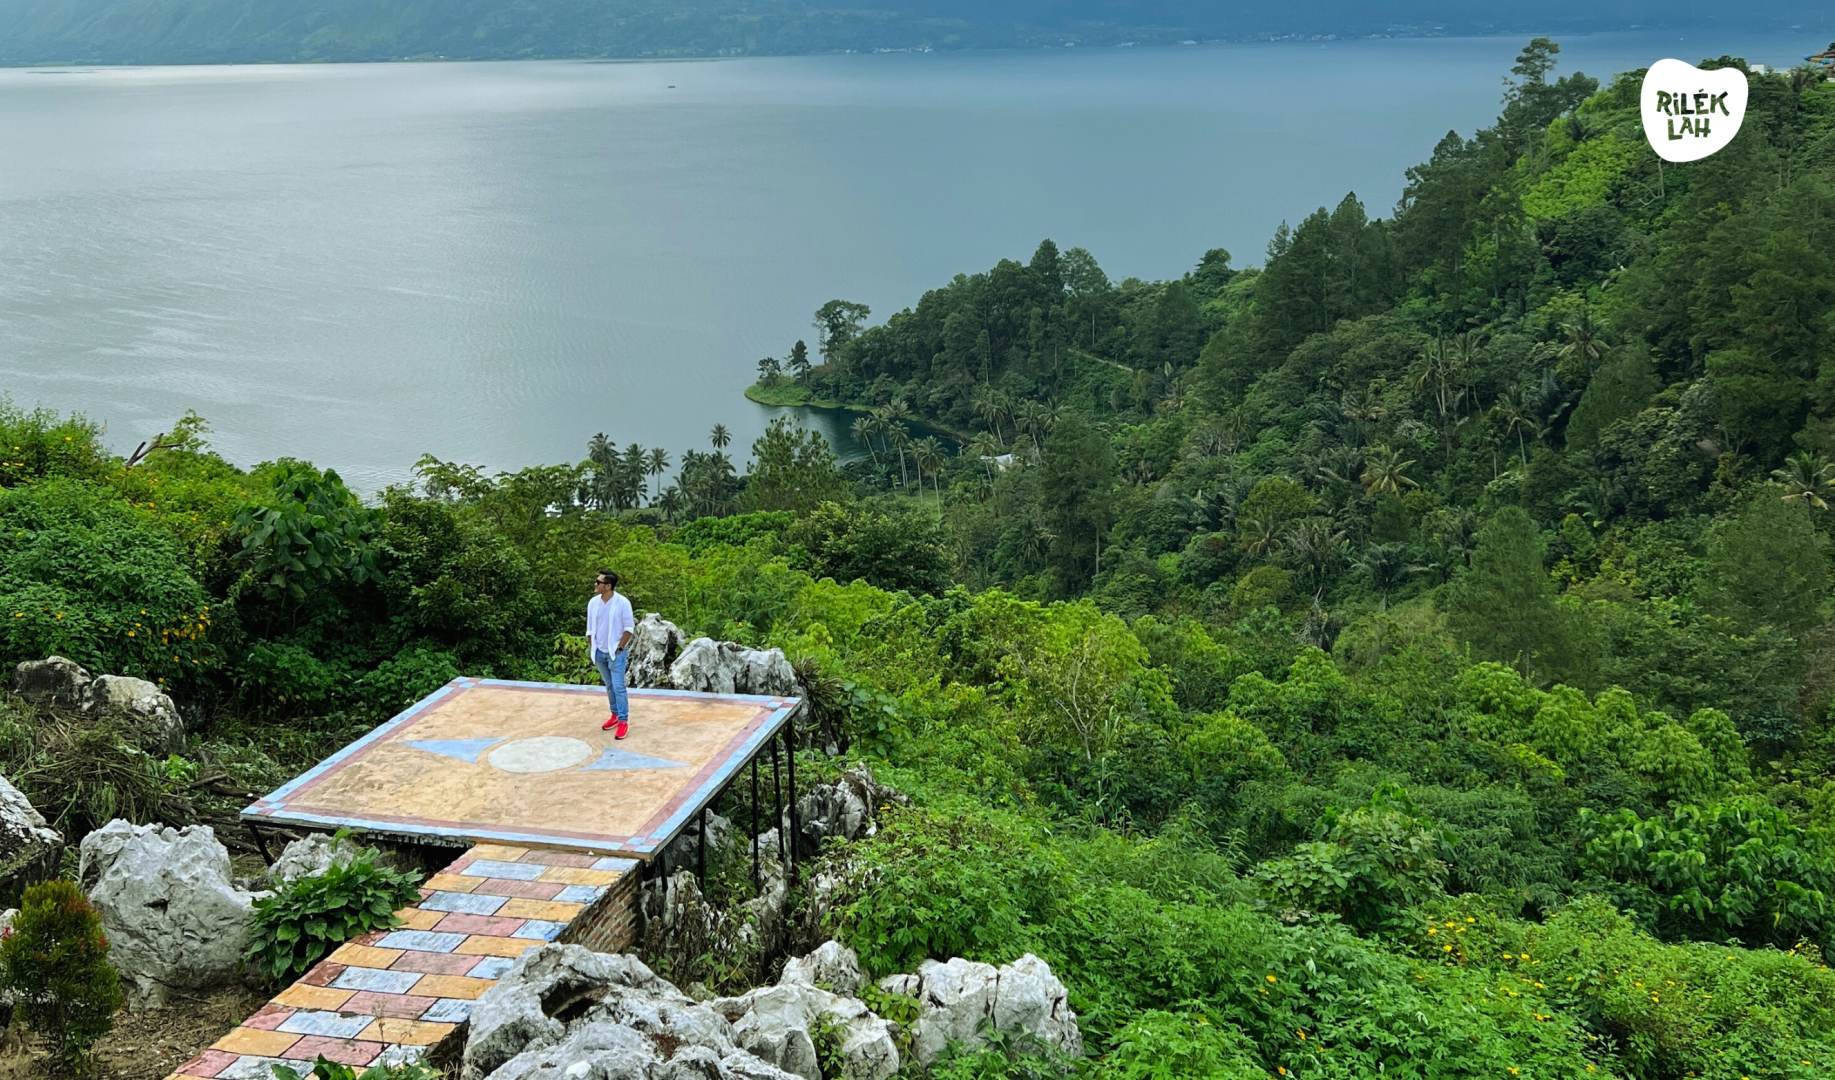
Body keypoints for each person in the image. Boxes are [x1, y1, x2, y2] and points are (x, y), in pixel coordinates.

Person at [586, 569, 636, 738]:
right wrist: (592, 645)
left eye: (598, 582)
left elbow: (629, 629)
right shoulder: (593, 603)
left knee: (618, 687)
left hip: (616, 652)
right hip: (599, 651)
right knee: (609, 686)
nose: (595, 584)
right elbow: (590, 628)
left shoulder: (622, 603)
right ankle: (614, 715)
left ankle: (623, 721)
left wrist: (620, 647)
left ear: (607, 586)